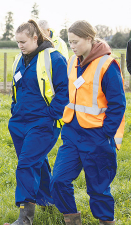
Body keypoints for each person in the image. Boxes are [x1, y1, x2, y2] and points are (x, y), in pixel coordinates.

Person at [51, 20, 126, 225]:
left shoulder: (107, 64)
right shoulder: (71, 62)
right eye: (70, 42)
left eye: (75, 42)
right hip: (72, 133)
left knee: (98, 187)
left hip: (97, 135)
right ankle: (72, 220)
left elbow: (118, 104)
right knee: (58, 180)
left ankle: (105, 222)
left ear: (89, 39)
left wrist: (106, 133)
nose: (72, 46)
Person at [4, 19, 68, 225]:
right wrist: (14, 109)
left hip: (42, 123)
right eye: (17, 42)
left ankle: (25, 217)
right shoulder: (18, 60)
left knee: (26, 164)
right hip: (19, 122)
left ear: (35, 37)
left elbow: (65, 90)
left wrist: (51, 114)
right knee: (36, 163)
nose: (20, 46)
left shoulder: (54, 58)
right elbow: (15, 88)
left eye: (23, 42)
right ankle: (49, 202)